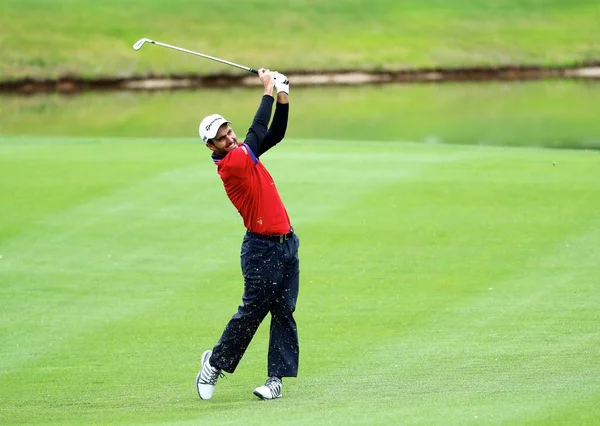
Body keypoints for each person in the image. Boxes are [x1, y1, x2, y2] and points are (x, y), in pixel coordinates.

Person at [196, 69, 299, 401]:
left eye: (229, 131)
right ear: (211, 146)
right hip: (261, 249)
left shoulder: (244, 153)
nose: (230, 138)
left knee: (284, 310)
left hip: (286, 243)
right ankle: (215, 362)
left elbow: (275, 133)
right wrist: (267, 91)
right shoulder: (233, 165)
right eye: (222, 138)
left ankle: (275, 380)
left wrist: (283, 96)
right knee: (252, 312)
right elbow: (257, 131)